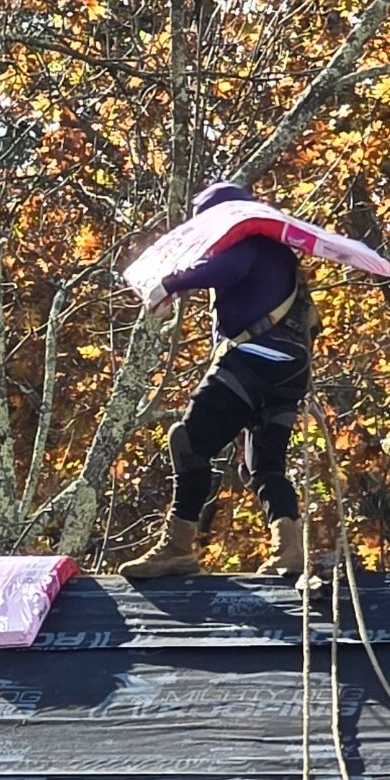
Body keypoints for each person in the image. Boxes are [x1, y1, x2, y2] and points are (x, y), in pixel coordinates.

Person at [124, 181, 313, 583]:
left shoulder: (245, 244)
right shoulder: (280, 253)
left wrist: (170, 283)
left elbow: (230, 269)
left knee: (190, 440)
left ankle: (176, 546)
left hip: (252, 362)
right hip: (289, 374)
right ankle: (289, 550)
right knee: (265, 468)